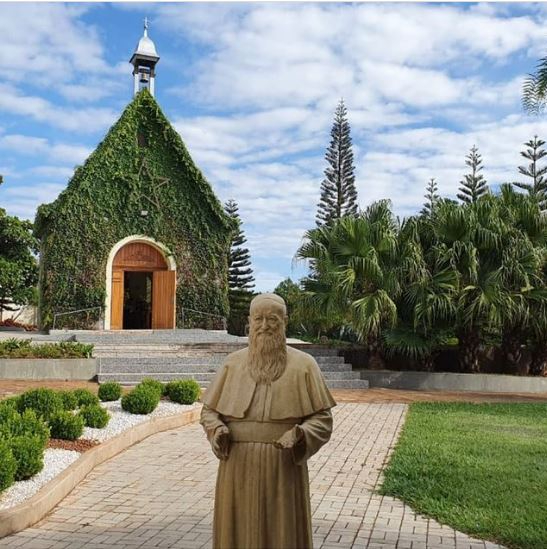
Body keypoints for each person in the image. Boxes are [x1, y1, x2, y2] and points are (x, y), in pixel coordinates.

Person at [200, 293, 336, 549]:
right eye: (258, 319)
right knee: (236, 532)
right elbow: (209, 412)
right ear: (249, 321)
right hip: (237, 466)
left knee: (282, 531)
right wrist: (216, 430)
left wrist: (300, 434)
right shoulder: (232, 364)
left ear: (285, 321)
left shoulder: (304, 365)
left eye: (272, 319)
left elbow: (322, 418)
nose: (265, 326)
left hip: (282, 466)